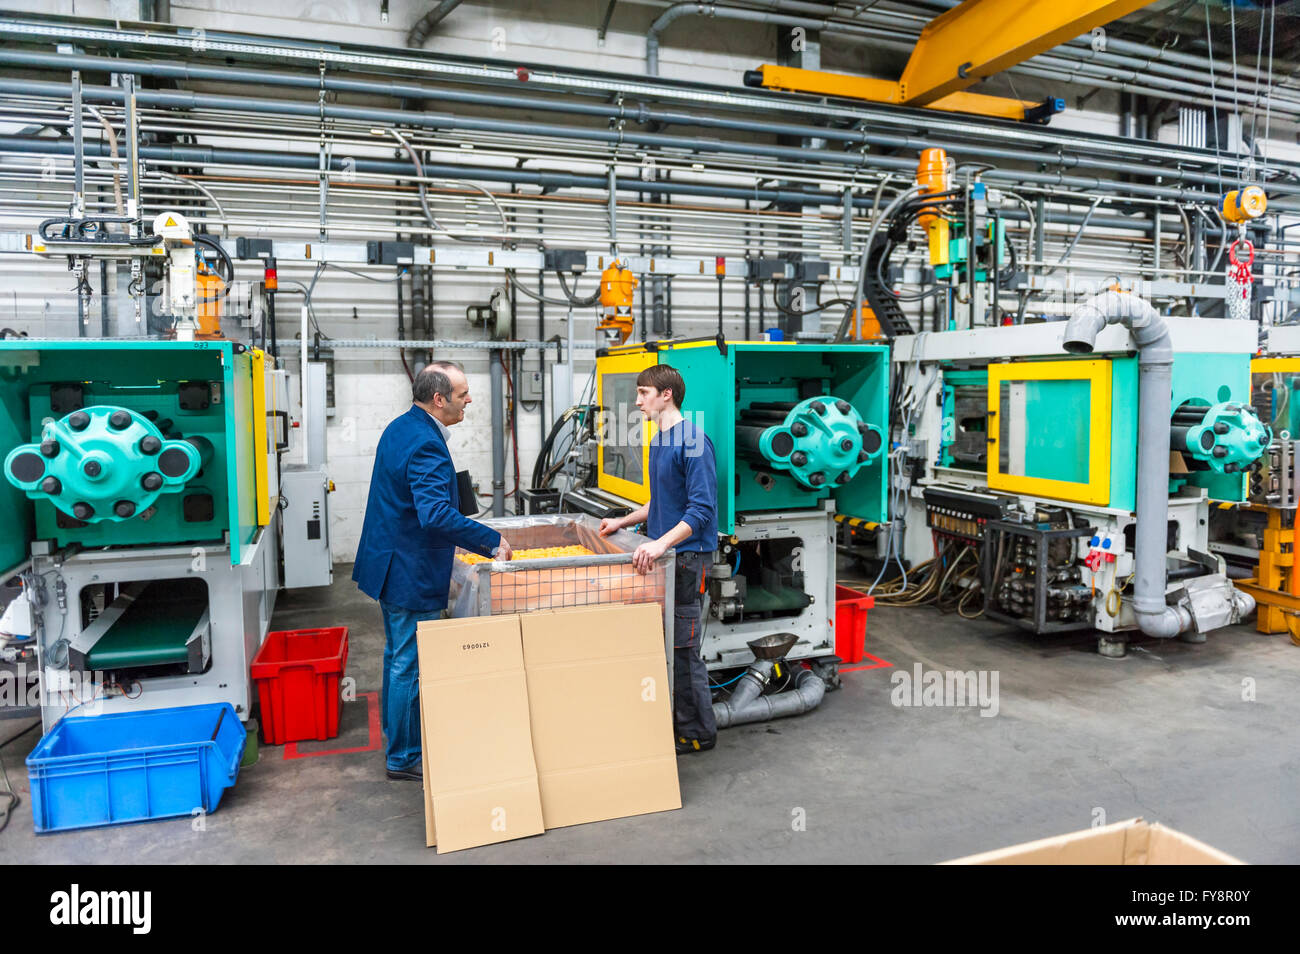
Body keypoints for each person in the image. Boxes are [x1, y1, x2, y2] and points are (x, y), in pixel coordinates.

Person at [353, 361, 513, 781]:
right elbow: (435, 514)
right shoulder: (425, 443)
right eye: (463, 394)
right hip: (409, 569)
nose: (470, 400)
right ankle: (404, 757)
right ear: (439, 399)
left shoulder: (401, 427)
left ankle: (396, 736)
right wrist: (490, 539)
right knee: (410, 661)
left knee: (396, 656)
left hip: (388, 562)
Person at [599, 364, 719, 754]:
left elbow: (700, 511)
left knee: (684, 651)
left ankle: (697, 733)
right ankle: (673, 719)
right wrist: (623, 520)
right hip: (668, 558)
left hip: (687, 560)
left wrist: (659, 545)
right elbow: (661, 502)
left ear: (667, 395)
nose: (637, 401)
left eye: (644, 392)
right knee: (665, 644)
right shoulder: (659, 440)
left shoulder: (694, 442)